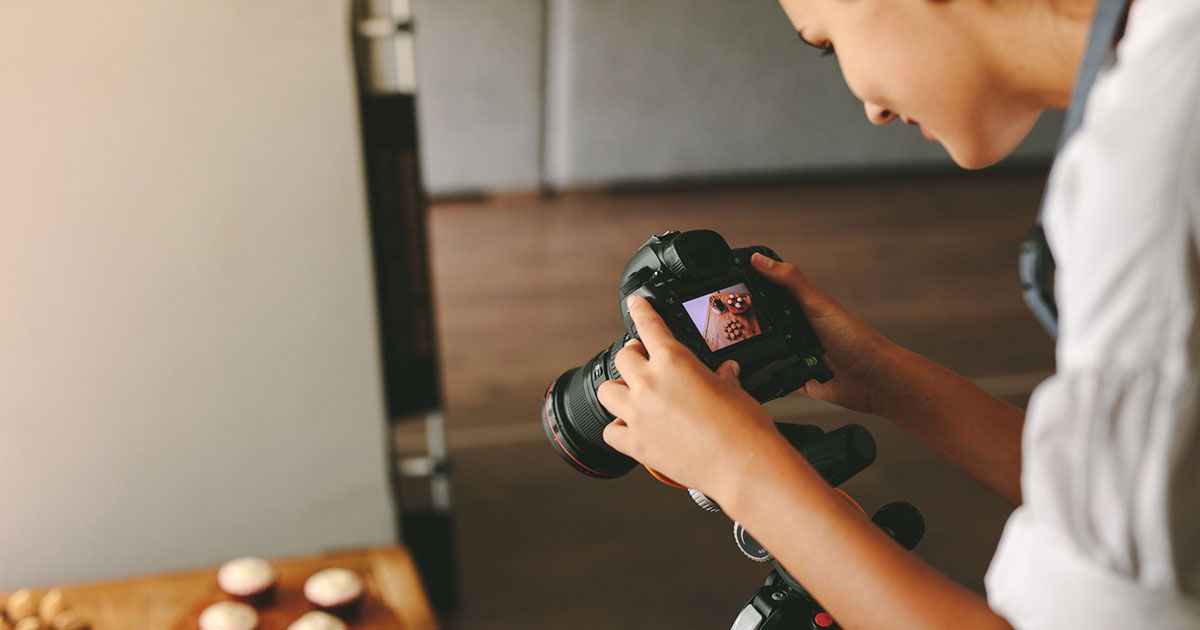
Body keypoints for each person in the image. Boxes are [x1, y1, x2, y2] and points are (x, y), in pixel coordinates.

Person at [595, 0, 1200, 627]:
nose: (872, 108)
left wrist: (742, 471)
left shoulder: (1150, 165)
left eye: (827, 42)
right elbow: (1164, 502)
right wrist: (880, 374)